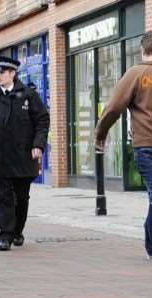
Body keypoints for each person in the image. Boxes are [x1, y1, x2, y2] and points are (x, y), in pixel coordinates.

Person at [0, 56, 49, 251]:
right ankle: (5, 236)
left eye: (1, 73)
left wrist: (38, 145)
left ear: (12, 73)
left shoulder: (27, 95)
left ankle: (17, 230)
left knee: (21, 197)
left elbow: (42, 120)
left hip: (22, 156)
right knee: (3, 197)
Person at [95, 30, 152, 260]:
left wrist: (100, 133)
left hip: (146, 146)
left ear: (142, 49)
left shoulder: (135, 74)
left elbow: (113, 108)